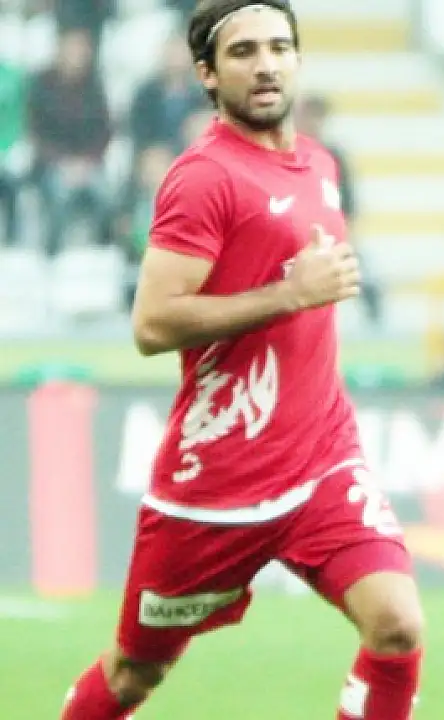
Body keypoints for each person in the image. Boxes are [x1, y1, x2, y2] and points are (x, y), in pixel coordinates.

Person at [59, 3, 423, 719]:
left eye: (280, 48)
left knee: (398, 625)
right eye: (244, 52)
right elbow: (153, 323)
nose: (265, 65)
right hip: (219, 481)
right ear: (207, 73)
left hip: (321, 458)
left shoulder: (320, 162)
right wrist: (290, 295)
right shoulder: (204, 177)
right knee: (134, 673)